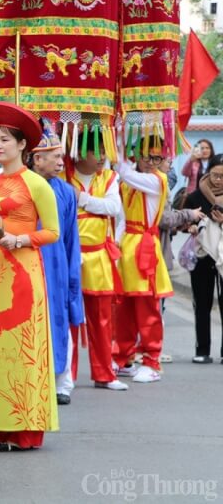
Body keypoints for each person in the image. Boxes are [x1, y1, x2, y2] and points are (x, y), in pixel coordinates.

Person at [0, 102, 59, 450]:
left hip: (22, 270)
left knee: (22, 346)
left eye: (4, 140)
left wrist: (20, 239)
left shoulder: (37, 184)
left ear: (23, 145)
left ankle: (23, 429)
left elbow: (52, 232)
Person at [30, 130, 89, 404]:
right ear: (36, 159)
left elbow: (70, 239)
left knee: (59, 318)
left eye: (60, 156)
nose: (60, 162)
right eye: (54, 157)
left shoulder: (66, 192)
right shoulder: (22, 187)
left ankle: (62, 382)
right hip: (28, 262)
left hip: (56, 266)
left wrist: (71, 274)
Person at [65, 141, 128, 392]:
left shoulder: (109, 177)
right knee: (69, 318)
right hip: (71, 257)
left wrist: (82, 199)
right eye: (96, 152)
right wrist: (92, 203)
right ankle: (66, 377)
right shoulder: (64, 176)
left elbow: (113, 207)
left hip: (99, 257)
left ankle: (104, 374)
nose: (102, 157)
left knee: (102, 320)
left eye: (104, 151)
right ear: (79, 152)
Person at [113, 136, 173, 383]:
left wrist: (117, 137)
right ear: (137, 155)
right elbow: (122, 218)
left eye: (157, 158)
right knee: (123, 308)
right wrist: (115, 243)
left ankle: (152, 361)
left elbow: (125, 172)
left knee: (148, 310)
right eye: (146, 156)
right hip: (127, 246)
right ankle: (123, 358)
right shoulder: (127, 182)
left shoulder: (157, 180)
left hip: (145, 247)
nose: (150, 162)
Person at [183, 153, 223, 363]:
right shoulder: (196, 196)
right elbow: (184, 221)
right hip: (202, 254)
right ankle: (202, 350)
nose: (218, 180)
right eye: (215, 175)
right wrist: (189, 226)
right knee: (202, 303)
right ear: (208, 173)